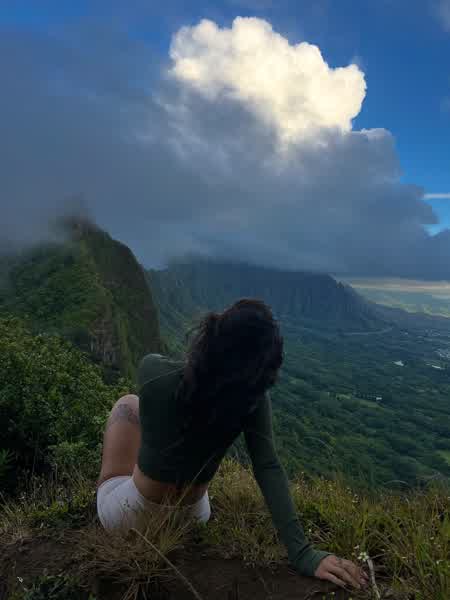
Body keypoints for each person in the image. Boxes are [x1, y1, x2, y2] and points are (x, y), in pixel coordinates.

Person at [96, 298, 368, 590]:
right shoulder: (252, 401)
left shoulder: (153, 371)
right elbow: (268, 467)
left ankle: (118, 486)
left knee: (129, 403)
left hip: (131, 518)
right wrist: (302, 553)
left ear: (212, 334)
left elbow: (183, 379)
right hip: (194, 518)